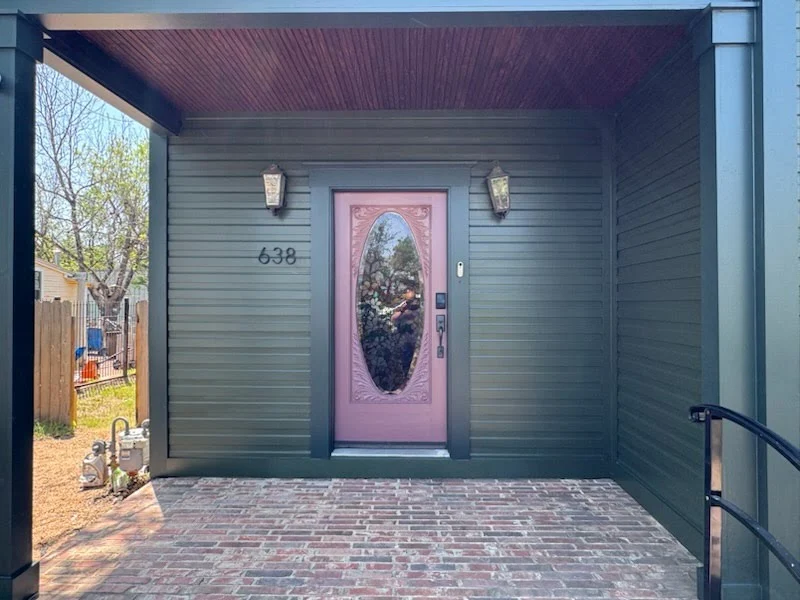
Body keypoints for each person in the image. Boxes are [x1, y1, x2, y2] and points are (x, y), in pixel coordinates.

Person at [391, 285, 421, 379]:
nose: (407, 292)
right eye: (406, 291)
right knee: (404, 359)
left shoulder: (419, 304)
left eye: (409, 290)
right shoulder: (403, 305)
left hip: (415, 337)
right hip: (404, 338)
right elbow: (393, 318)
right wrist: (402, 310)